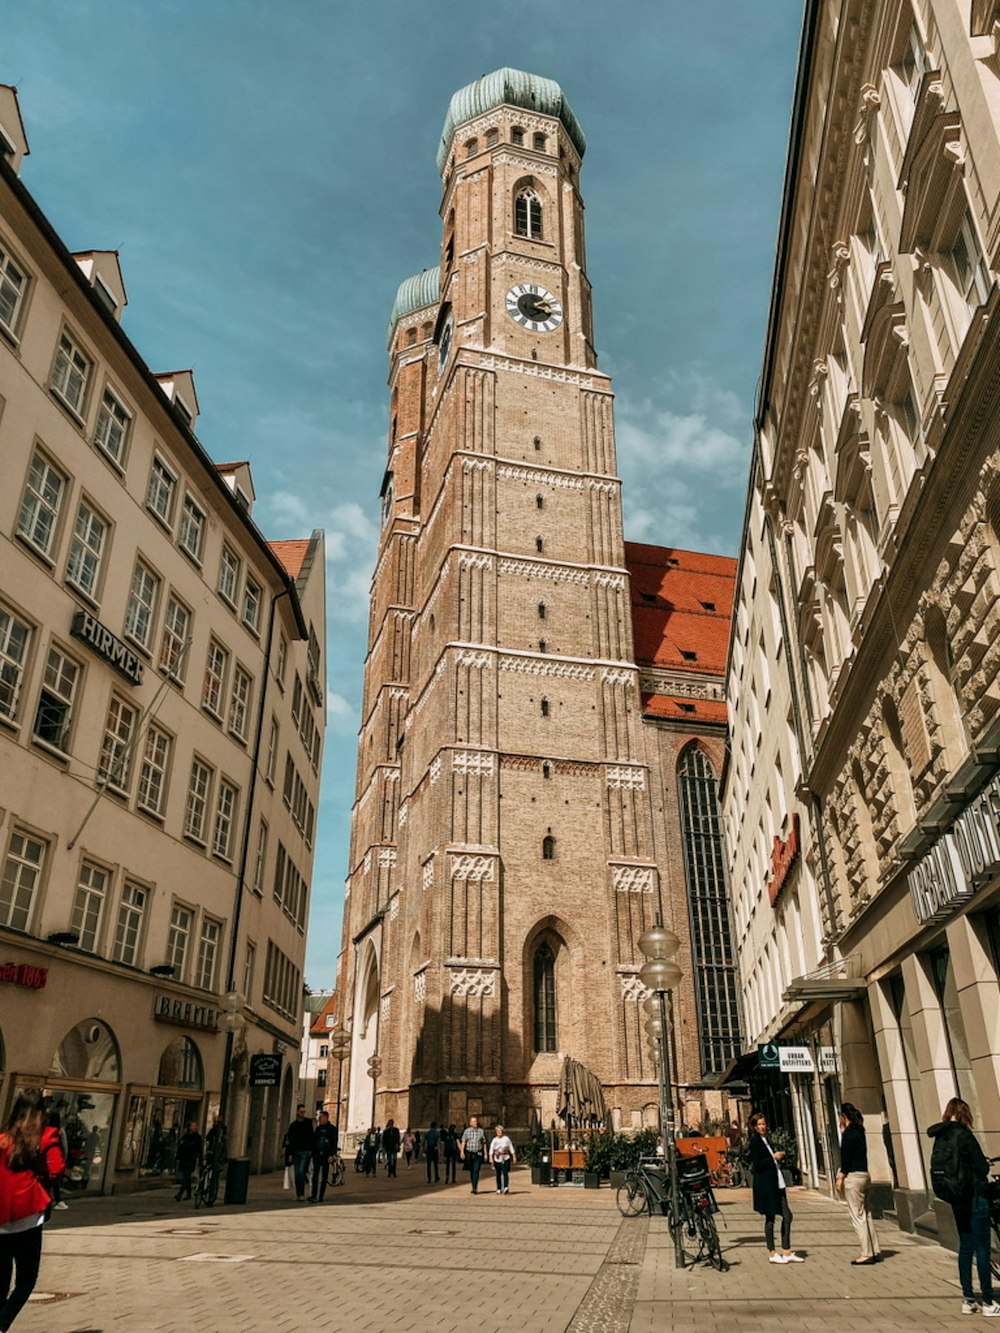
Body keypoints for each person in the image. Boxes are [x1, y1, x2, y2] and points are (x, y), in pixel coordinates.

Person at [928, 1097, 1000, 1317]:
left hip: (956, 1198)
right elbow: (980, 1167)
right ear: (964, 1114)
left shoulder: (941, 1136)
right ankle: (988, 1301)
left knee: (966, 1247)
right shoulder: (964, 1135)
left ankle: (968, 1299)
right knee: (982, 1247)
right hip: (974, 1196)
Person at [0, 1090, 65, 1332]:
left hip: (1, 1216)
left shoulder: (3, 1139)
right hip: (28, 1215)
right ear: (41, 1113)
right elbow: (57, 1168)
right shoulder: (45, 1136)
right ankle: (3, 1321)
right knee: (26, 1279)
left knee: (1, 1280)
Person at [748, 1110, 803, 1264]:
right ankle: (772, 1253)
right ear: (754, 1126)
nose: (762, 1127)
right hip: (766, 1184)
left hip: (777, 1182)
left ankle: (786, 1251)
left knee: (787, 1215)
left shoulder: (768, 1140)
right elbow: (757, 1164)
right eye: (759, 1124)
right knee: (770, 1217)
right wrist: (773, 1157)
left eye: (763, 1123)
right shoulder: (755, 1141)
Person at [835, 1103, 880, 1265]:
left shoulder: (848, 1134)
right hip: (865, 1175)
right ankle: (874, 1249)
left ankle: (866, 1253)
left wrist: (840, 1177)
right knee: (866, 1214)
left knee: (857, 1216)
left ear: (843, 1117)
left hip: (853, 1177)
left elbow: (846, 1158)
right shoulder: (860, 1131)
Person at [283, 1104, 315, 1202]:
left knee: (301, 1172)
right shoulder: (293, 1126)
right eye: (301, 1112)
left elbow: (311, 1137)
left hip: (305, 1151)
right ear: (297, 1112)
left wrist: (311, 1150)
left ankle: (301, 1194)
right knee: (297, 1174)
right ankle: (299, 1194)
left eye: (304, 1112)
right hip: (296, 1152)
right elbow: (290, 1141)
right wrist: (289, 1154)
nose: (303, 1113)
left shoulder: (308, 1123)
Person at [310, 1111, 338, 1203]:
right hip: (317, 1155)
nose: (319, 1119)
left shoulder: (332, 1129)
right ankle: (314, 1195)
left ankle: (321, 1195)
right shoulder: (318, 1129)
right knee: (315, 1175)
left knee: (324, 1176)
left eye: (321, 1118)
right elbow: (314, 1141)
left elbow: (334, 1142)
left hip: (326, 1155)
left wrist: (331, 1154)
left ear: (326, 1118)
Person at [174, 1121, 202, 1202]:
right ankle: (189, 1193)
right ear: (189, 1127)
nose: (194, 1127)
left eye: (195, 1126)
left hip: (191, 1159)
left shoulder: (197, 1137)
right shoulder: (185, 1136)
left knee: (186, 1176)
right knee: (187, 1178)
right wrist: (177, 1157)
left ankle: (180, 1193)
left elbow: (198, 1148)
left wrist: (200, 1159)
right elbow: (180, 1146)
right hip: (184, 1159)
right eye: (193, 1126)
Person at [460, 1116, 487, 1195]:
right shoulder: (466, 1131)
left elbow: (484, 1143)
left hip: (478, 1153)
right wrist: (462, 1152)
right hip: (469, 1153)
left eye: (476, 1121)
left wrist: (485, 1153)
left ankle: (475, 1187)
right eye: (474, 1122)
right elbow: (463, 1141)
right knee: (471, 1170)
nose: (476, 1123)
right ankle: (473, 1185)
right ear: (470, 1123)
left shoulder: (481, 1131)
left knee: (476, 1170)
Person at [46, 1113, 67, 1212]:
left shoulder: (45, 1130)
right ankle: (58, 1201)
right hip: (56, 1160)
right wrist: (64, 1157)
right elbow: (64, 1146)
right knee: (55, 1182)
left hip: (45, 1161)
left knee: (48, 1183)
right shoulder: (59, 1131)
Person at [488, 1125, 515, 1195]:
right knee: (498, 1174)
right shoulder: (494, 1140)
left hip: (505, 1158)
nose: (499, 1132)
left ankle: (506, 1187)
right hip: (497, 1159)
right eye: (497, 1131)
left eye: (500, 1131)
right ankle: (498, 1188)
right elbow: (491, 1149)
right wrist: (491, 1158)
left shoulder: (506, 1139)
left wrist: (514, 1156)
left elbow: (511, 1147)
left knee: (505, 1173)